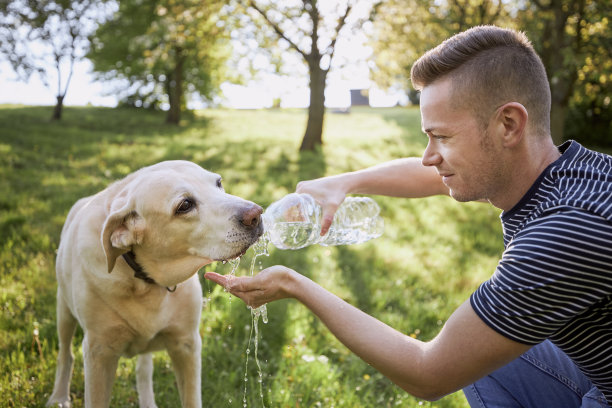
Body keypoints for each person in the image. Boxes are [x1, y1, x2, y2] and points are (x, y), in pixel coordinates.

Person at [205, 25, 612, 407]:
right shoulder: (572, 172)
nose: (429, 156)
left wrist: (296, 285)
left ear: (509, 124)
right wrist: (346, 182)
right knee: (484, 348)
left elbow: (429, 374)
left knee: (464, 353)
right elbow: (435, 175)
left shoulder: (564, 232)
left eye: (443, 137)